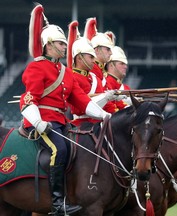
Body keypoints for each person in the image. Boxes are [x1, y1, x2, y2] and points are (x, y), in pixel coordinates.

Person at [20, 4, 111, 215]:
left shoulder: (64, 72)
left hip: (61, 122)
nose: (64, 47)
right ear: (49, 45)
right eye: (61, 44)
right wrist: (38, 122)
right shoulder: (36, 66)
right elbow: (28, 99)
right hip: (41, 121)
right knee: (59, 149)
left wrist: (103, 114)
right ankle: (56, 203)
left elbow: (81, 100)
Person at [67, 21, 124, 125]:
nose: (111, 53)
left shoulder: (94, 77)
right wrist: (107, 98)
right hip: (82, 124)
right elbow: (79, 107)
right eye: (108, 49)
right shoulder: (73, 76)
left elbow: (106, 103)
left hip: (98, 122)